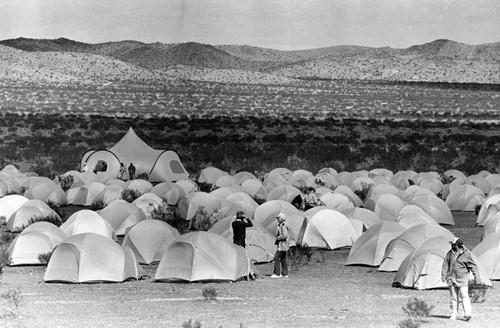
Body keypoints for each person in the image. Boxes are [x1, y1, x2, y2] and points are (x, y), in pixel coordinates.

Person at [441, 237, 481, 321]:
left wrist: (477, 278)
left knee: (464, 296)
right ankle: (453, 314)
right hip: (452, 278)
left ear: (457, 245)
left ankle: (467, 314)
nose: (451, 246)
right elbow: (445, 264)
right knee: (453, 298)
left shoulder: (466, 254)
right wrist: (444, 275)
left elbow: (473, 266)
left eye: (453, 244)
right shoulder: (450, 253)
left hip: (463, 279)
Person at [271, 213, 289, 278]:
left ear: (282, 218)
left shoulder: (283, 226)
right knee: (283, 259)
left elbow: (284, 235)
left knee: (276, 258)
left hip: (282, 245)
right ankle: (285, 273)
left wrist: (278, 238)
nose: (277, 219)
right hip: (284, 245)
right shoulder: (281, 225)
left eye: (278, 218)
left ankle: (277, 273)